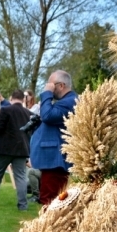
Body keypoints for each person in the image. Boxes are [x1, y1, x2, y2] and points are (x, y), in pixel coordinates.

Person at [30, 70, 77, 204]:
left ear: (61, 85)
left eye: (51, 85)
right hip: (53, 161)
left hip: (55, 161)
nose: (48, 87)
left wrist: (47, 95)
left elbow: (48, 116)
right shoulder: (67, 101)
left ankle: (50, 225)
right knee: (50, 199)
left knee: (50, 201)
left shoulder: (69, 102)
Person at [0, 90, 32, 210]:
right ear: (23, 99)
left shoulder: (5, 110)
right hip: (21, 149)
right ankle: (23, 205)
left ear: (11, 98)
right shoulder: (28, 113)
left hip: (5, 148)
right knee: (20, 176)